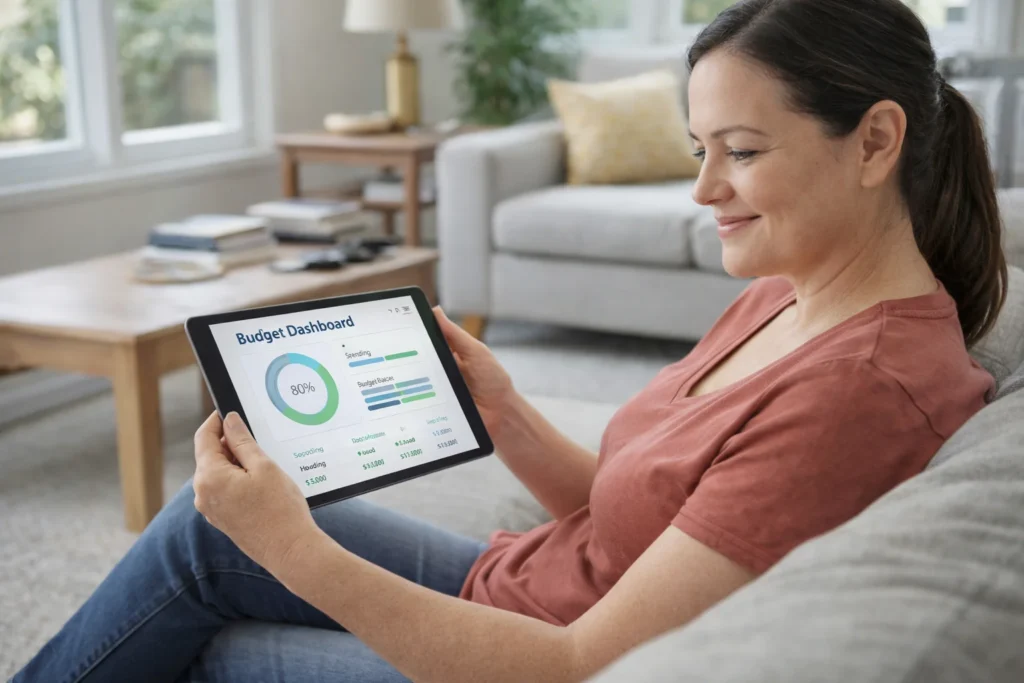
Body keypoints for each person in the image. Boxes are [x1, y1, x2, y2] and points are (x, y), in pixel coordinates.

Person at [14, 0, 1008, 681]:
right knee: (199, 526)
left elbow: (576, 666)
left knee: (205, 641)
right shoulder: (793, 291)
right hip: (514, 581)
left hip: (525, 651)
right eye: (698, 151)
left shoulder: (856, 394)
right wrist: (507, 410)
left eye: (741, 153)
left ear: (876, 141)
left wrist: (289, 543)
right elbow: (636, 515)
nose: (704, 190)